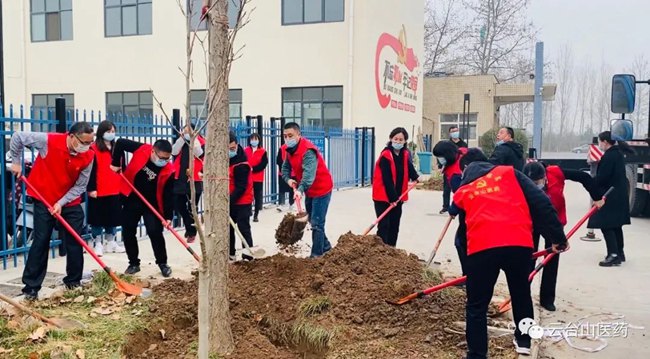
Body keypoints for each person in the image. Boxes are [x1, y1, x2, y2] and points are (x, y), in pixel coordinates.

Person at [449, 148, 568, 357]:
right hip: (518, 244)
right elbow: (542, 202)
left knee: (476, 305)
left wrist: (469, 265)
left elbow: (462, 235)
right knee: (521, 292)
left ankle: (477, 354)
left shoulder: (463, 191)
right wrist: (558, 238)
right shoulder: (510, 173)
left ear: (466, 169)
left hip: (482, 248)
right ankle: (524, 341)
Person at [10, 122, 95, 300]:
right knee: (41, 240)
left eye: (90, 143)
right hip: (43, 198)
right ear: (71, 136)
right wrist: (16, 162)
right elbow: (18, 137)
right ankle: (31, 287)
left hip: (69, 201)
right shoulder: (49, 141)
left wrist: (61, 203)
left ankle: (73, 281)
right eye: (84, 142)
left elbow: (80, 186)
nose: (86, 146)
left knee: (75, 241)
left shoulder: (88, 156)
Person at [522, 161, 601, 311]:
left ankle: (547, 299)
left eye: (537, 183)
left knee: (552, 258)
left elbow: (584, 177)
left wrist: (597, 197)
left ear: (544, 177)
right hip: (529, 223)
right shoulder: (519, 181)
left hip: (553, 223)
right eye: (530, 184)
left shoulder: (555, 173)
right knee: (528, 258)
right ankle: (523, 295)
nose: (534, 187)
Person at [110, 138, 174, 277]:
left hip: (152, 203)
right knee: (128, 231)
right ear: (153, 151)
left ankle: (162, 263)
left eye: (167, 158)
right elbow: (120, 143)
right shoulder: (142, 149)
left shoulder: (168, 170)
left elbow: (169, 195)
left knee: (154, 231)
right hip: (131, 197)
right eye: (161, 157)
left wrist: (168, 216)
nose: (164, 161)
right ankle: (133, 263)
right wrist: (115, 163)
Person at [281, 122, 334, 258]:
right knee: (313, 221)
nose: (287, 139)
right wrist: (288, 180)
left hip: (322, 188)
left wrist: (300, 189)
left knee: (317, 223)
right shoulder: (289, 150)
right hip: (310, 191)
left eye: (290, 135)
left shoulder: (308, 151)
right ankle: (327, 247)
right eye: (285, 136)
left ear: (299, 135)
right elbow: (285, 168)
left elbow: (309, 175)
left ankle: (316, 256)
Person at [587, 131, 633, 267]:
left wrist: (591, 183)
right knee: (616, 225)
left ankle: (613, 255)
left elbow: (602, 178)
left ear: (605, 142)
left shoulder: (609, 156)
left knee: (606, 225)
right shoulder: (617, 154)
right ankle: (619, 252)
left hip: (609, 195)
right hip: (618, 194)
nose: (599, 145)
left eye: (600, 142)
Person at [371, 127, 420, 247]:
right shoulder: (386, 156)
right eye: (396, 139)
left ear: (405, 141)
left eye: (401, 139)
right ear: (391, 139)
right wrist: (393, 199)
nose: (398, 142)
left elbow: (409, 167)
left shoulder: (404, 154)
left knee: (394, 225)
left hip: (398, 196)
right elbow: (387, 179)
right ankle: (381, 252)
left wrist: (415, 177)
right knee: (384, 225)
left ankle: (392, 251)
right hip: (383, 197)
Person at [87, 120, 125, 256]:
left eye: (113, 131)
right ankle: (97, 243)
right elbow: (90, 171)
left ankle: (111, 241)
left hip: (115, 188)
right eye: (108, 131)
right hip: (99, 189)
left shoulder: (117, 148)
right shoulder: (93, 149)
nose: (111, 134)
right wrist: (91, 189)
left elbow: (123, 169)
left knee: (113, 217)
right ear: (102, 132)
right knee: (97, 218)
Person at [433, 140, 468, 276]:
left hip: (470, 210)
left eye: (440, 157)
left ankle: (468, 276)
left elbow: (462, 195)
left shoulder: (455, 174)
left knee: (461, 242)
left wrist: (453, 209)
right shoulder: (462, 155)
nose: (439, 160)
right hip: (475, 205)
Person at [171, 122, 205, 244]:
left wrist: (193, 138)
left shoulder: (200, 141)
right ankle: (189, 226)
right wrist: (182, 138)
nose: (186, 132)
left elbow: (199, 153)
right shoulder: (181, 140)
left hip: (194, 179)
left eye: (188, 130)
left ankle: (192, 232)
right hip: (180, 177)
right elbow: (174, 152)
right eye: (185, 130)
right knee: (178, 204)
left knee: (192, 207)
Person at [228, 132, 254, 261]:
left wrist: (229, 201)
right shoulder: (223, 160)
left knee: (243, 227)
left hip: (243, 200)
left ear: (237, 145)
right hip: (230, 200)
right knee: (228, 228)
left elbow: (241, 187)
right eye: (227, 149)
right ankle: (230, 253)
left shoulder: (241, 163)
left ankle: (247, 254)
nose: (230, 151)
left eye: (232, 149)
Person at [438, 126, 468, 214]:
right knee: (446, 189)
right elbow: (442, 156)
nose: (455, 132)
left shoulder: (463, 144)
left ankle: (459, 206)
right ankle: (445, 206)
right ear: (450, 133)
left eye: (456, 131)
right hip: (448, 168)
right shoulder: (447, 144)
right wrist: (441, 167)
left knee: (459, 189)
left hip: (460, 169)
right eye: (452, 131)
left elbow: (466, 156)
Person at [244, 133, 268, 222]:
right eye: (252, 139)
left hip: (258, 177)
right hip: (247, 177)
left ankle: (256, 214)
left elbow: (263, 164)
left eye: (256, 139)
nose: (254, 141)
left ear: (259, 140)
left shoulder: (263, 151)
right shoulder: (245, 150)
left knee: (257, 196)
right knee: (248, 195)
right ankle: (249, 211)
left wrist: (253, 169)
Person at [276, 145, 295, 212]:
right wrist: (283, 170)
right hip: (283, 173)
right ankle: (281, 204)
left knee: (292, 189)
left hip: (293, 173)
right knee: (282, 189)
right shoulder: (282, 148)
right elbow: (278, 160)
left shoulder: (297, 147)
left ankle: (291, 204)